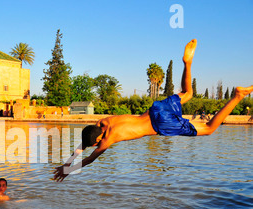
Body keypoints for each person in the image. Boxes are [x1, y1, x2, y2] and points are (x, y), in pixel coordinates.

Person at [54, 39, 253, 182]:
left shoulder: (108, 139)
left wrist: (67, 169)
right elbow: (83, 143)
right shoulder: (105, 122)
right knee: (188, 92)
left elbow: (88, 158)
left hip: (160, 124)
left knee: (209, 128)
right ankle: (188, 63)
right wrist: (69, 159)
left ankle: (237, 96)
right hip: (155, 110)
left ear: (98, 139)